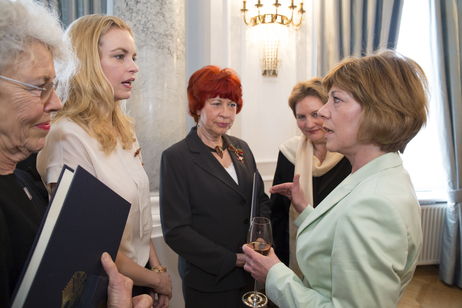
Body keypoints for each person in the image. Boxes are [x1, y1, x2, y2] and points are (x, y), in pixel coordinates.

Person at [243, 50, 427, 308]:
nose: (323, 114)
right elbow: (341, 234)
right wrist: (305, 210)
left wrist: (274, 273)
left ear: (377, 113)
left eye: (336, 100)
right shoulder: (377, 174)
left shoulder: (375, 205)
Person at [0, 1, 152, 307]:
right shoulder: (64, 134)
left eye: (53, 86)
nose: (55, 102)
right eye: (39, 86)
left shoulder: (22, 184)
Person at [36, 14, 172, 306]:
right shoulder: (65, 136)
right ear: (86, 64)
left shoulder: (126, 129)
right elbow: (89, 243)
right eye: (119, 56)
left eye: (133, 57)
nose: (134, 67)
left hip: (142, 278)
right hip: (108, 288)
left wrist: (157, 268)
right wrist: (155, 281)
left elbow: (140, 219)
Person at [159, 65, 271, 308]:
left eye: (232, 105)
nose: (226, 113)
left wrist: (260, 242)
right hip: (210, 282)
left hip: (251, 275)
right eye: (217, 103)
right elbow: (176, 231)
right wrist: (233, 259)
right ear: (198, 106)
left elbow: (258, 199)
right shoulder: (177, 157)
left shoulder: (241, 148)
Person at [270, 77, 351, 277]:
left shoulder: (350, 156)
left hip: (338, 256)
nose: (309, 124)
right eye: (301, 117)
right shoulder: (288, 153)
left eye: (315, 114)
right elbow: (277, 213)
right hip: (292, 254)